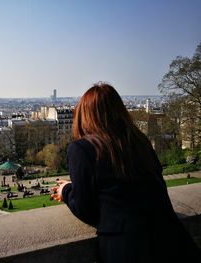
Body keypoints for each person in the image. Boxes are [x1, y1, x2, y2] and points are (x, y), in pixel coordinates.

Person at [51, 83, 201, 262]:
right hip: (173, 239)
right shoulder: (140, 141)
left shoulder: (82, 149)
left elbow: (86, 210)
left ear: (84, 116)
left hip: (128, 248)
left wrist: (66, 190)